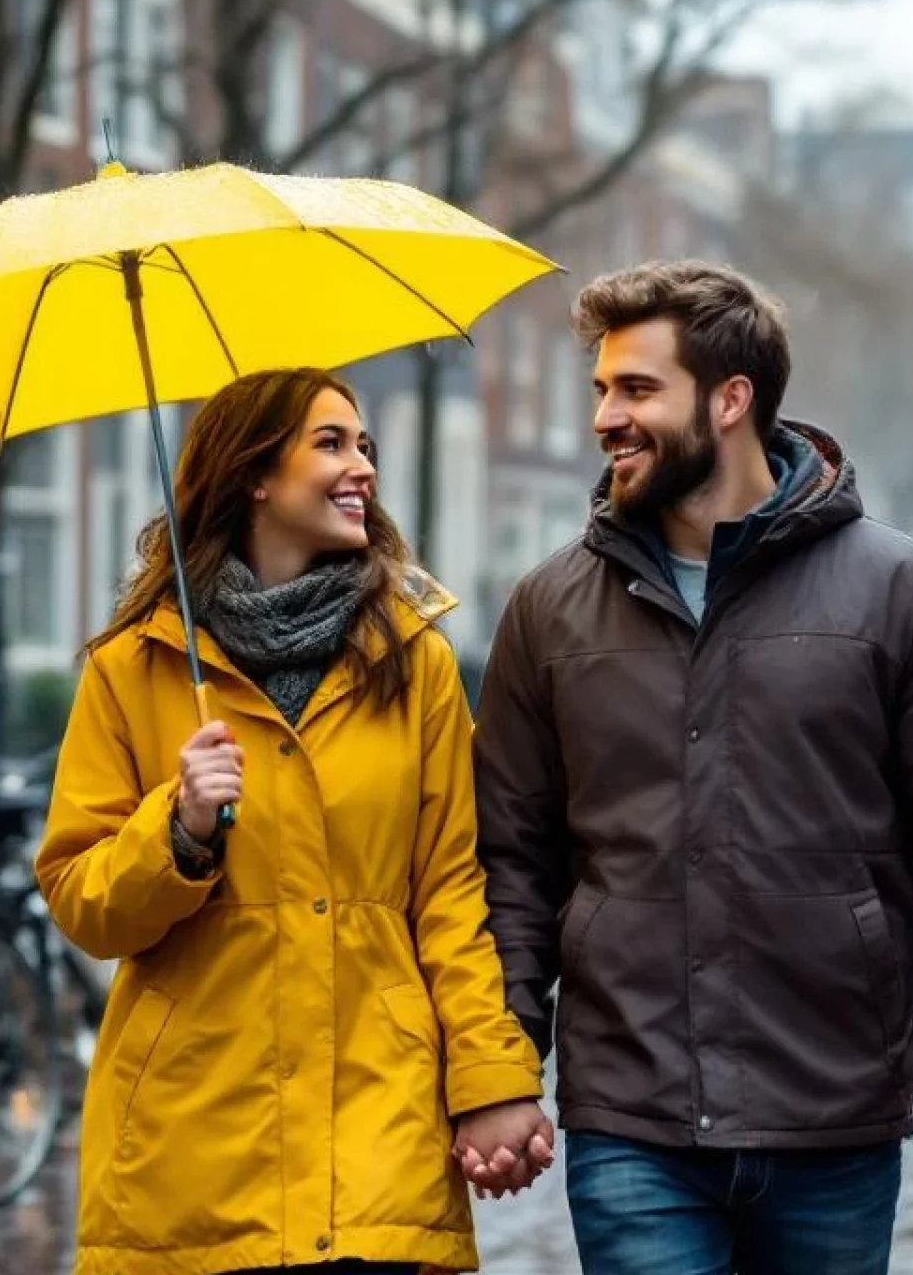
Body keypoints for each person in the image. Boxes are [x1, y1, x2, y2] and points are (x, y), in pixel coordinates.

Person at [472, 260, 913, 1275]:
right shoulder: (549, 609)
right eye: (602, 389)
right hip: (632, 1117)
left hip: (832, 1107)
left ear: (730, 399)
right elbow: (511, 861)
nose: (607, 417)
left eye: (637, 388)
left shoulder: (903, 591)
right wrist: (501, 1064)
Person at [35, 367, 551, 1275]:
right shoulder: (133, 669)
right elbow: (83, 902)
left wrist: (491, 1079)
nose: (363, 468)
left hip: (377, 1129)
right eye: (331, 443)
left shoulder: (415, 663)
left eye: (365, 446)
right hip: (192, 1144)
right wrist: (178, 830)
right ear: (254, 476)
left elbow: (451, 894)